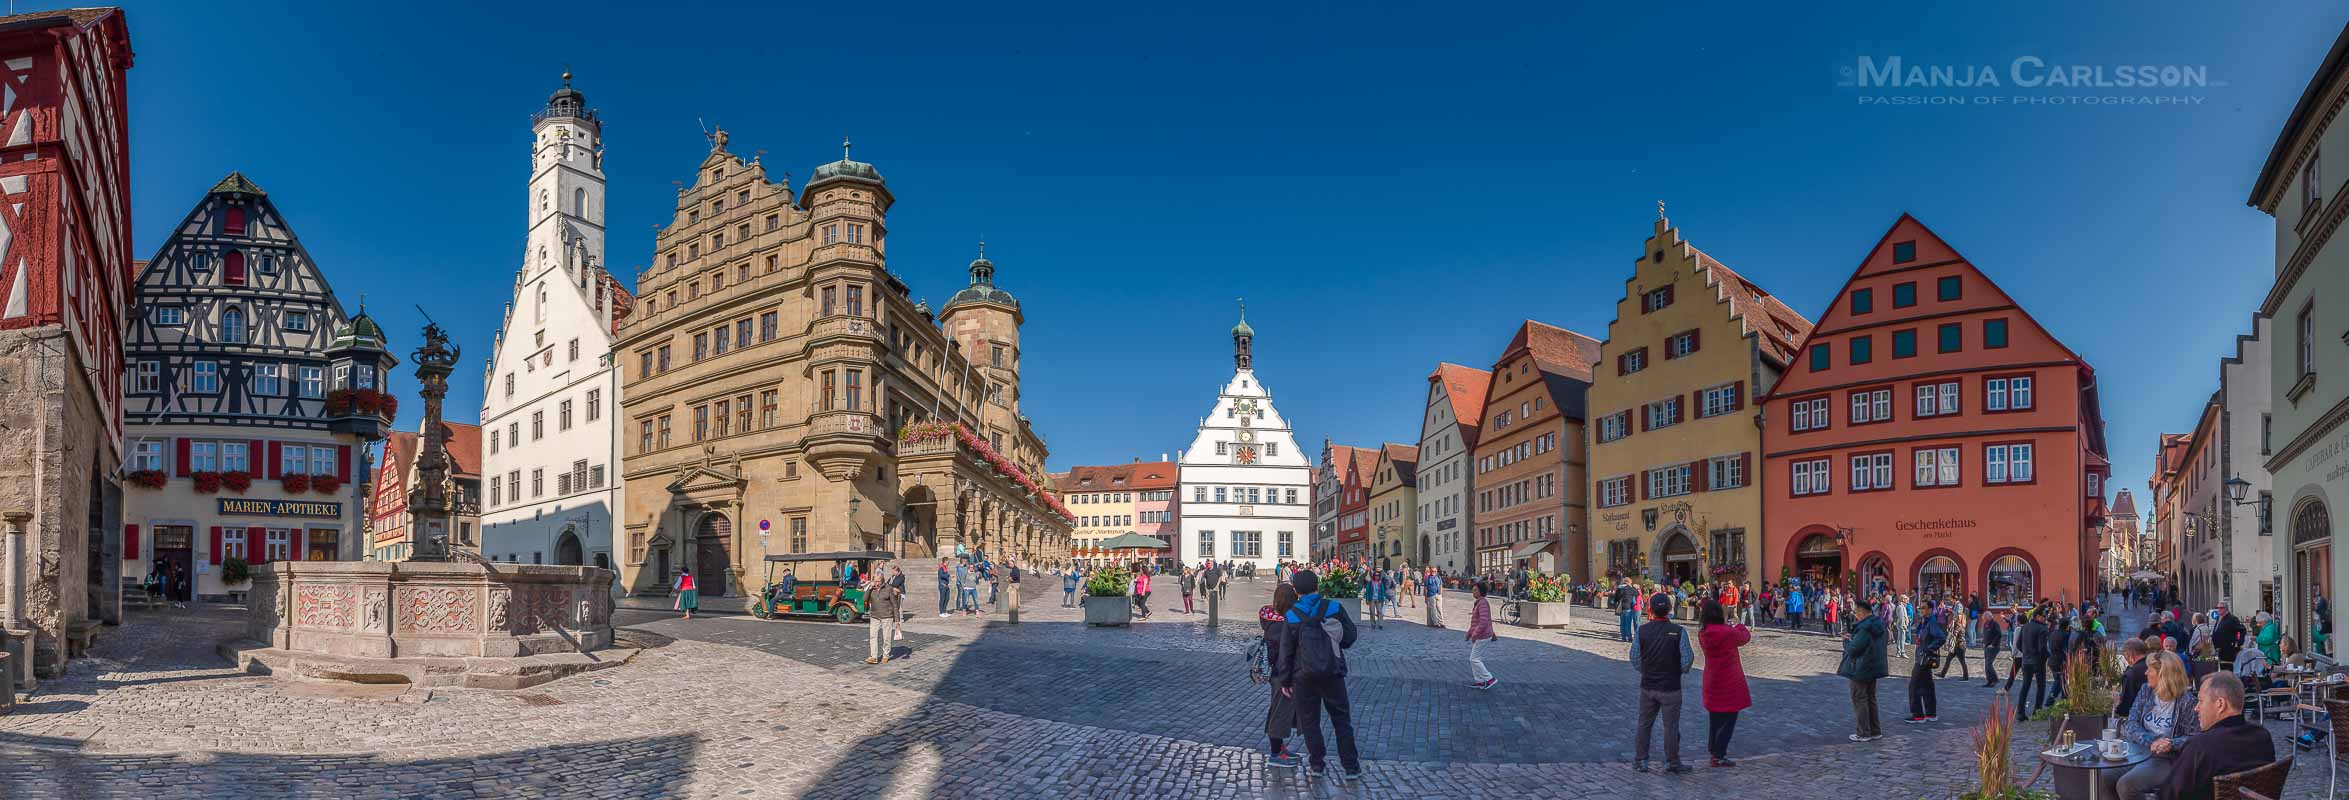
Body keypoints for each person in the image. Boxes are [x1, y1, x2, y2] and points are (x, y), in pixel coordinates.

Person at [1277, 570, 1362, 784]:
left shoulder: (1292, 615)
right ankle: (1351, 767)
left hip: (1303, 676)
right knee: (1342, 721)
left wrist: (1285, 680)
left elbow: (1286, 652)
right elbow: (1350, 636)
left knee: (1310, 722)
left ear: (1295, 590)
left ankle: (1317, 764)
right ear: (1318, 586)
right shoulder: (1333, 607)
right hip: (1333, 673)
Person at [2159, 672, 2273, 800]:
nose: (2196, 708)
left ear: (2220, 704)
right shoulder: (2262, 736)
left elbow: (2168, 795)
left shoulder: (2201, 746)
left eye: (2201, 701)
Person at [1630, 593, 1695, 774]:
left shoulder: (1642, 631)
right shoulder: (1678, 631)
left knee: (1644, 724)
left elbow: (1634, 657)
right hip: (1671, 687)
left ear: (1650, 609)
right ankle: (1672, 761)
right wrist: (1678, 670)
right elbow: (1687, 660)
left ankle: (1641, 760)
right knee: (1671, 726)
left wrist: (1646, 670)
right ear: (1669, 609)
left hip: (1648, 685)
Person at [1697, 599, 1750, 767]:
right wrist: (1739, 625)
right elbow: (1745, 637)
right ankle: (1719, 754)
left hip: (1712, 679)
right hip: (1729, 681)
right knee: (1728, 720)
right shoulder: (1727, 632)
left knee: (1715, 718)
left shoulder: (1703, 632)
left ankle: (1713, 750)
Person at [1839, 597, 1888, 742]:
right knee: (1870, 698)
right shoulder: (1878, 624)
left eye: (1856, 612)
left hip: (1861, 667)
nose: (1855, 615)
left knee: (1860, 699)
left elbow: (1854, 650)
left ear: (1861, 611)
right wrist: (1854, 638)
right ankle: (1875, 731)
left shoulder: (1864, 627)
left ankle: (1863, 733)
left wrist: (1847, 641)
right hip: (1874, 666)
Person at [1262, 583, 1300, 768]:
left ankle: (1280, 748)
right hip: (1281, 673)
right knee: (1279, 712)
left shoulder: (1273, 619)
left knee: (1281, 710)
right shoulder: (1281, 624)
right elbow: (1284, 652)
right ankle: (1275, 753)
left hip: (1279, 672)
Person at [1905, 606, 1947, 724]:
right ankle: (1931, 714)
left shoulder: (1931, 622)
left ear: (1930, 610)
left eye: (1923, 608)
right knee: (1927, 685)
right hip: (1922, 657)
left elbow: (1941, 638)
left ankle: (1918, 715)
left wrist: (1929, 649)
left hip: (1924, 658)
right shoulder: (1924, 622)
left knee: (1914, 685)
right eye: (1920, 608)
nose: (1920, 611)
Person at [2015, 610, 2053, 716]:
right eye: (2044, 616)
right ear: (2037, 616)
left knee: (2025, 686)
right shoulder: (2042, 628)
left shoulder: (2025, 626)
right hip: (2038, 661)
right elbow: (2043, 648)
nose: (2045, 618)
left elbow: (2018, 644)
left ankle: (2020, 713)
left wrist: (2026, 652)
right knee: (2041, 686)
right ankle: (2037, 711)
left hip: (2026, 660)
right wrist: (2048, 656)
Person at [865, 574, 903, 664]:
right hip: (874, 616)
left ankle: (886, 654)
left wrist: (897, 620)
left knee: (886, 637)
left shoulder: (888, 588)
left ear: (882, 581)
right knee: (872, 636)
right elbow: (864, 598)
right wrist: (869, 588)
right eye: (875, 581)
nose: (876, 583)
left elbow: (894, 605)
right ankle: (874, 656)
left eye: (878, 581)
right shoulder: (872, 588)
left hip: (887, 616)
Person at [1467, 581, 1499, 689]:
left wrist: (1474, 634)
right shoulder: (1479, 602)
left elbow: (1484, 622)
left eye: (1475, 590)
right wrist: (1469, 633)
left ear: (1480, 591)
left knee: (1474, 659)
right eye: (1473, 589)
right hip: (1482, 635)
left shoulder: (1482, 603)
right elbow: (1476, 621)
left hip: (1483, 636)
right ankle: (1480, 681)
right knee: (1476, 658)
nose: (1473, 591)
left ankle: (1489, 678)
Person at [2116, 638, 2151, 720]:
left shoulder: (2131, 673)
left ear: (2130, 654)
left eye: (2125, 656)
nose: (2126, 660)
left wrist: (2117, 709)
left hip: (2138, 718)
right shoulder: (2155, 665)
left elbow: (2127, 702)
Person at [1941, 604, 1972, 680]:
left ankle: (1966, 676)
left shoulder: (1958, 625)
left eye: (1955, 616)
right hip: (1956, 646)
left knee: (1962, 661)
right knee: (1948, 659)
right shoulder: (1958, 624)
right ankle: (1942, 674)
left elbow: (1954, 634)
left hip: (1960, 646)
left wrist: (1950, 630)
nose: (1953, 617)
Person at [1979, 608, 2006, 688]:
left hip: (1993, 647)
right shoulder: (1986, 623)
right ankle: (1989, 681)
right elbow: (1985, 634)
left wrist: (1993, 644)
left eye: (1984, 617)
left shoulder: (1995, 624)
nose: (1983, 618)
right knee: (1986, 664)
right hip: (1987, 646)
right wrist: (1983, 642)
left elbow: (1999, 635)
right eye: (1983, 617)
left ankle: (1995, 679)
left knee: (1988, 664)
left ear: (1989, 616)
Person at [1613, 577, 1640, 642]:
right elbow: (1637, 593)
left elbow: (1616, 598)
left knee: (1622, 623)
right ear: (1629, 582)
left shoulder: (1620, 588)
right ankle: (1629, 638)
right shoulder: (1630, 588)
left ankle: (1623, 637)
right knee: (1628, 624)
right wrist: (1632, 586)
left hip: (1622, 607)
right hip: (1628, 607)